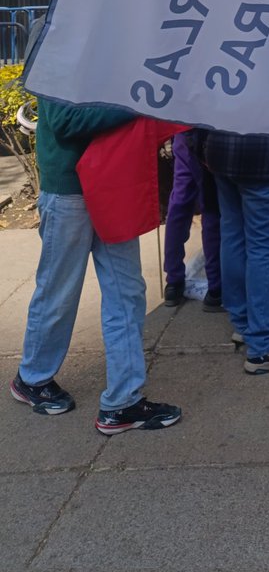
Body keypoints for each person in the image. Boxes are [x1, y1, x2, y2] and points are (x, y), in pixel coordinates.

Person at [11, 97, 182, 433]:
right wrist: (136, 105)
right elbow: (64, 120)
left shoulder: (100, 48)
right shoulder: (60, 49)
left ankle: (123, 402)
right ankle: (32, 378)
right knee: (60, 292)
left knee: (127, 293)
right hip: (70, 191)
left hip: (110, 185)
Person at [200, 130, 269, 374]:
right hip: (267, 154)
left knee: (233, 236)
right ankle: (264, 344)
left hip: (222, 148)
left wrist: (201, 146)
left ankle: (244, 322)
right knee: (264, 248)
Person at [163, 131, 223, 307]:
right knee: (212, 205)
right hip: (209, 130)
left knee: (180, 201)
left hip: (183, 129)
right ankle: (216, 286)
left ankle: (173, 281)